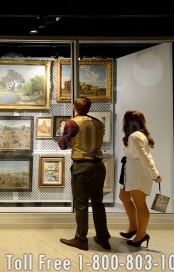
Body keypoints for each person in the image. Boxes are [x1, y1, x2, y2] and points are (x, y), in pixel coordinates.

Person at [57, 97, 111, 251]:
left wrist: (63, 135)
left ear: (74, 107)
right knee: (98, 203)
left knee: (81, 204)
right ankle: (103, 238)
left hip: (82, 166)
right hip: (99, 165)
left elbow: (63, 145)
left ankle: (81, 239)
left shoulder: (72, 123)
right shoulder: (98, 122)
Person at [118, 110, 162, 248]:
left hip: (137, 173)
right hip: (130, 172)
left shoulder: (135, 137)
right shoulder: (136, 135)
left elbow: (145, 157)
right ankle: (133, 227)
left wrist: (154, 174)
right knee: (124, 197)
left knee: (140, 203)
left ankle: (141, 234)